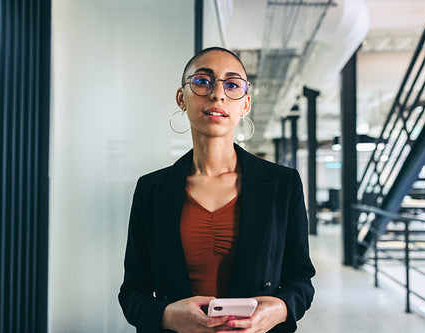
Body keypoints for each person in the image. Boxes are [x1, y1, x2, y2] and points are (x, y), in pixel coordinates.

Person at [118, 47, 315, 333]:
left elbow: (301, 281)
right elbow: (132, 294)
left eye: (232, 84)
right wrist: (168, 316)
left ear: (245, 104)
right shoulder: (151, 190)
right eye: (202, 81)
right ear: (181, 98)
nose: (217, 94)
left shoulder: (282, 185)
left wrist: (281, 309)